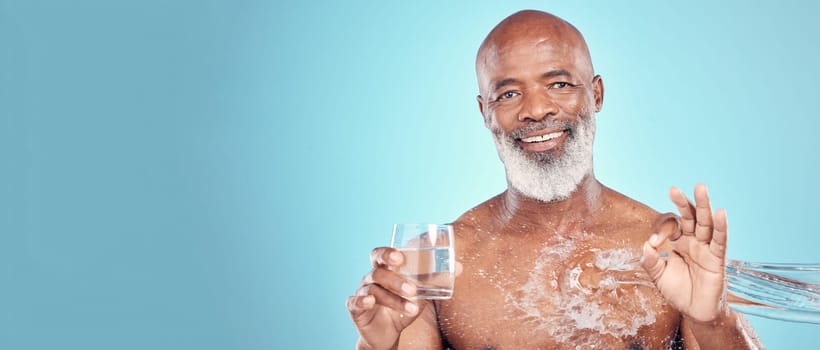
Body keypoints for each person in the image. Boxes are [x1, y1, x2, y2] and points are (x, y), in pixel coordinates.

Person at [347, 10, 762, 350]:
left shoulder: (665, 245)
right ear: (484, 112)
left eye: (559, 84)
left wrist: (716, 321)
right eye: (508, 94)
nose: (537, 110)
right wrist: (375, 347)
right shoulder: (434, 260)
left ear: (596, 94)